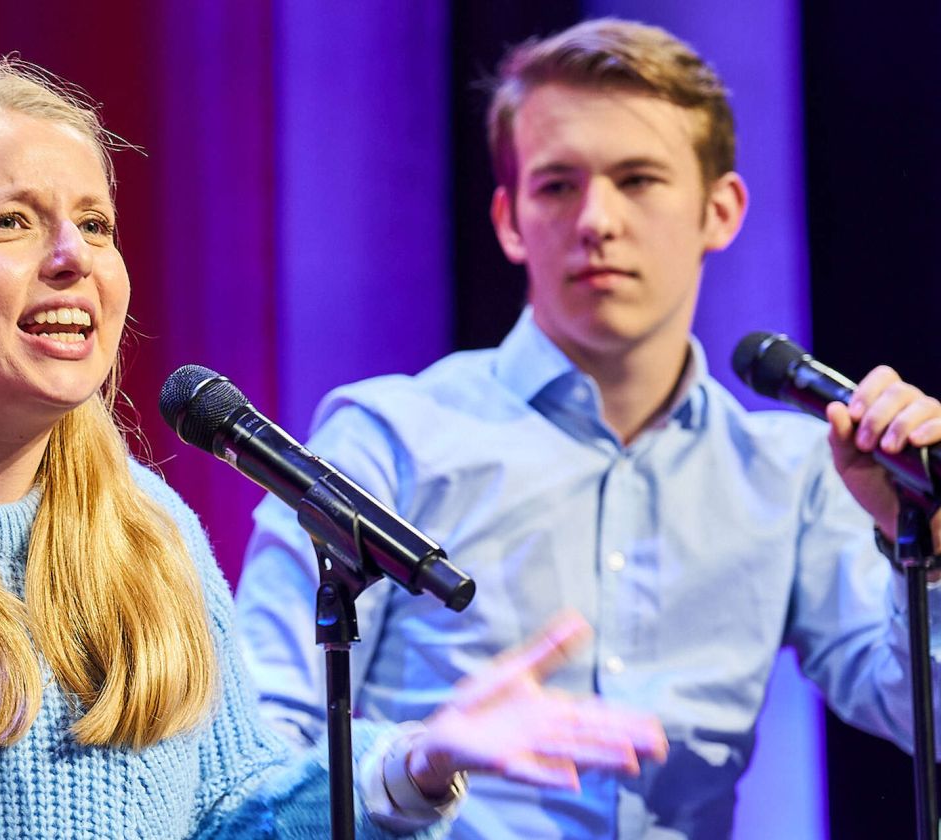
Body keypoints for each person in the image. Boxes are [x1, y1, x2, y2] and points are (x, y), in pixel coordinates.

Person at [0, 62, 666, 839]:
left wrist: (408, 767)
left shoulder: (151, 533)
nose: (71, 259)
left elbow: (233, 821)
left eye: (94, 223)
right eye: (7, 224)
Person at [236, 18, 941, 840]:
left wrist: (922, 545)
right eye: (558, 185)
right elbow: (252, 760)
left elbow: (918, 716)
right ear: (509, 219)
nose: (597, 220)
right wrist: (421, 758)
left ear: (722, 210)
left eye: (638, 180)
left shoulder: (789, 472)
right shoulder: (388, 436)